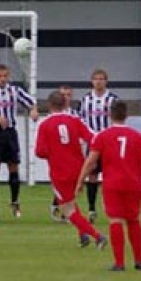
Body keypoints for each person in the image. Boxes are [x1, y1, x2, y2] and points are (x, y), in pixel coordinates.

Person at [76, 101, 141, 271]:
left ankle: (119, 263)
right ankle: (139, 261)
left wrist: (80, 180)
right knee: (133, 220)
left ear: (110, 115)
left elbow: (91, 162)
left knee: (115, 220)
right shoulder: (138, 137)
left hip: (112, 184)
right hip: (133, 184)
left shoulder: (102, 136)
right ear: (127, 115)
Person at [35, 91, 107, 249]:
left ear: (50, 105)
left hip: (60, 171)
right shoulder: (75, 120)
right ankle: (82, 236)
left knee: (66, 208)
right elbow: (93, 138)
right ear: (65, 104)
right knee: (71, 202)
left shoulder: (45, 124)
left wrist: (53, 152)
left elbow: (39, 151)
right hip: (79, 168)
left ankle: (97, 236)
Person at [0, 63, 39, 222]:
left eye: (5, 76)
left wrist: (33, 110)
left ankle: (15, 202)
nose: (2, 79)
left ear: (8, 76)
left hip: (11, 133)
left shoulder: (14, 90)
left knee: (14, 168)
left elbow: (31, 102)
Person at [79, 68, 120, 223]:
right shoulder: (85, 100)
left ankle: (110, 205)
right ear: (92, 81)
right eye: (96, 78)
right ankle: (91, 208)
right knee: (92, 175)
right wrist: (91, 136)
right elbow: (81, 120)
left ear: (106, 81)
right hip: (93, 142)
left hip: (109, 143)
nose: (98, 81)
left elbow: (117, 120)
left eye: (101, 78)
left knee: (110, 175)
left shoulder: (113, 99)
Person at [49, 84, 80, 221]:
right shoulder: (52, 116)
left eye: (68, 95)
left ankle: (62, 208)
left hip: (72, 154)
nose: (66, 98)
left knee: (71, 184)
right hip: (58, 157)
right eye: (63, 95)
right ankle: (62, 208)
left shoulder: (75, 115)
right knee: (62, 183)